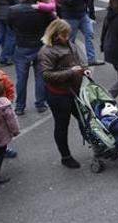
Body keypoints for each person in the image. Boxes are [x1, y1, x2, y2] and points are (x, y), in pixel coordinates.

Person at [39, 19, 90, 169]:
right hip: (58, 95)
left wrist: (83, 69)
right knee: (62, 126)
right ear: (55, 34)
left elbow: (76, 60)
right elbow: (46, 75)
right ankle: (65, 156)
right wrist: (70, 72)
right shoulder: (46, 51)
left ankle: (95, 145)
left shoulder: (68, 44)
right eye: (64, 35)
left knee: (84, 119)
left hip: (73, 91)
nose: (67, 37)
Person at [6, 0, 53, 115]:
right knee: (40, 76)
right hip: (39, 45)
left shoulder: (13, 10)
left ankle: (20, 106)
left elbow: (10, 25)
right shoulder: (43, 10)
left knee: (21, 78)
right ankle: (40, 103)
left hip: (21, 46)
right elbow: (54, 23)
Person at [58, 0, 99, 66]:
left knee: (89, 34)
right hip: (70, 16)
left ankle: (91, 59)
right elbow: (68, 0)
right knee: (71, 40)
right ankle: (72, 61)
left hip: (82, 14)